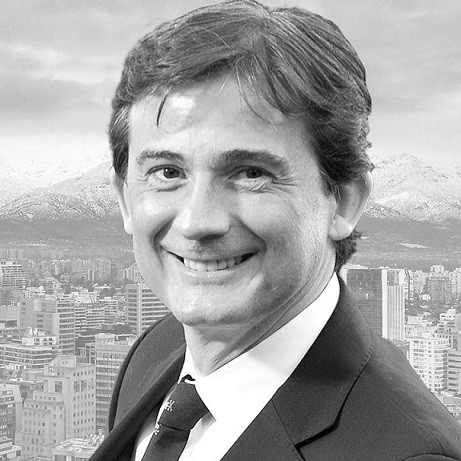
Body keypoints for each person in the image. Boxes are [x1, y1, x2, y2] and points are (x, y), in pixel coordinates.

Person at [90, 1, 461, 460]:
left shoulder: (408, 453)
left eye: (251, 173)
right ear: (125, 197)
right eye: (167, 172)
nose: (195, 221)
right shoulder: (153, 354)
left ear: (343, 200)